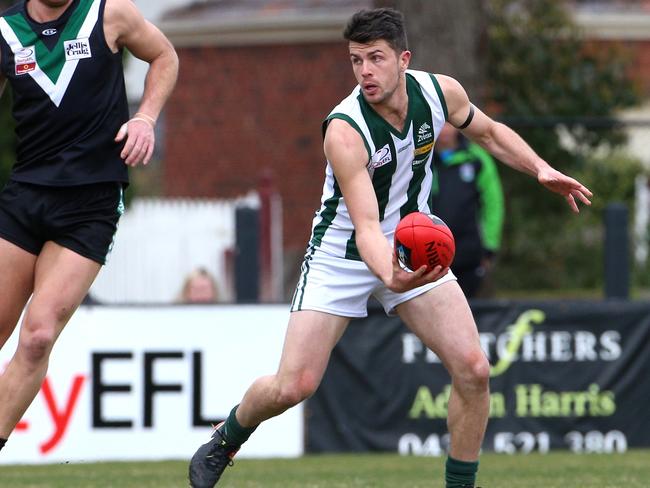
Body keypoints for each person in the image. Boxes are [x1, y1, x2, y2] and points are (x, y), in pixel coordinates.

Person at [188, 8, 591, 488]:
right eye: (356, 60)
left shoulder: (440, 93)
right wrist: (390, 276)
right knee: (293, 386)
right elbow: (363, 227)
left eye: (375, 59)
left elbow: (488, 133)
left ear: (404, 59)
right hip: (342, 257)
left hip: (411, 248)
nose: (364, 72)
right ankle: (229, 435)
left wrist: (540, 168)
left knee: (474, 369)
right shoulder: (345, 129)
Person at [0, 0, 178, 454]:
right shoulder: (7, 31)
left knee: (38, 335)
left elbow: (165, 56)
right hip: (25, 196)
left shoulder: (109, 14)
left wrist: (146, 117)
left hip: (90, 203)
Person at [431, 123, 505, 297]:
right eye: (440, 124)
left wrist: (490, 246)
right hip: (430, 251)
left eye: (449, 124)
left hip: (469, 252)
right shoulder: (420, 158)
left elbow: (494, 204)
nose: (445, 130)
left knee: (466, 308)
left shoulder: (477, 158)